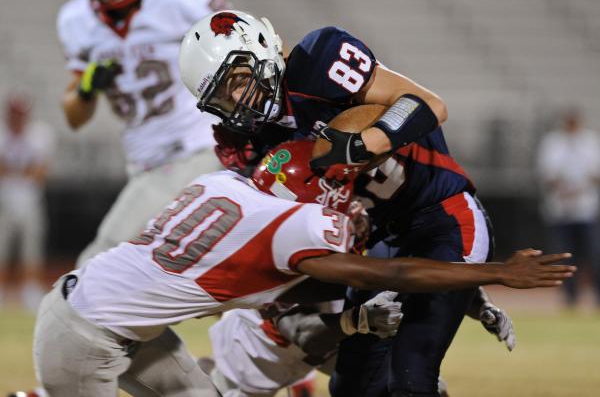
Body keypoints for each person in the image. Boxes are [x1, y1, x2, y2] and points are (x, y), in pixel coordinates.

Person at [32, 139, 573, 396]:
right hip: (88, 336)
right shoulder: (296, 228)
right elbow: (397, 276)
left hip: (104, 309)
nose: (348, 198)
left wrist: (470, 298)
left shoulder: (225, 186)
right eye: (334, 187)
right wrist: (496, 271)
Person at [179, 12, 515, 396]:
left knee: (410, 377)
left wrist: (361, 145)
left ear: (262, 49)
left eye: (238, 81)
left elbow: (429, 105)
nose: (238, 99)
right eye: (223, 96)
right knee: (353, 387)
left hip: (443, 216)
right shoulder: (258, 145)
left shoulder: (319, 61)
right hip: (382, 243)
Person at [56, 0, 229, 269]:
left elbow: (247, 43)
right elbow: (75, 117)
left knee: (98, 261)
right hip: (144, 162)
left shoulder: (178, 3)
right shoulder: (75, 19)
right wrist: (86, 89)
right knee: (192, 265)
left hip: (194, 147)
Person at [537, 108, 600, 307]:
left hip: (585, 208)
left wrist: (578, 187)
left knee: (593, 254)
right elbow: (547, 174)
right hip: (560, 209)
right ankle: (570, 298)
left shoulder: (590, 141)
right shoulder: (552, 142)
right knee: (565, 256)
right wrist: (565, 187)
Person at [0, 93, 54, 310]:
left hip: (30, 198)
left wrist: (16, 172)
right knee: (2, 245)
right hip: (4, 199)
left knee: (32, 246)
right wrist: (22, 172)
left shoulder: (40, 134)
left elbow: (40, 170)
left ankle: (30, 287)